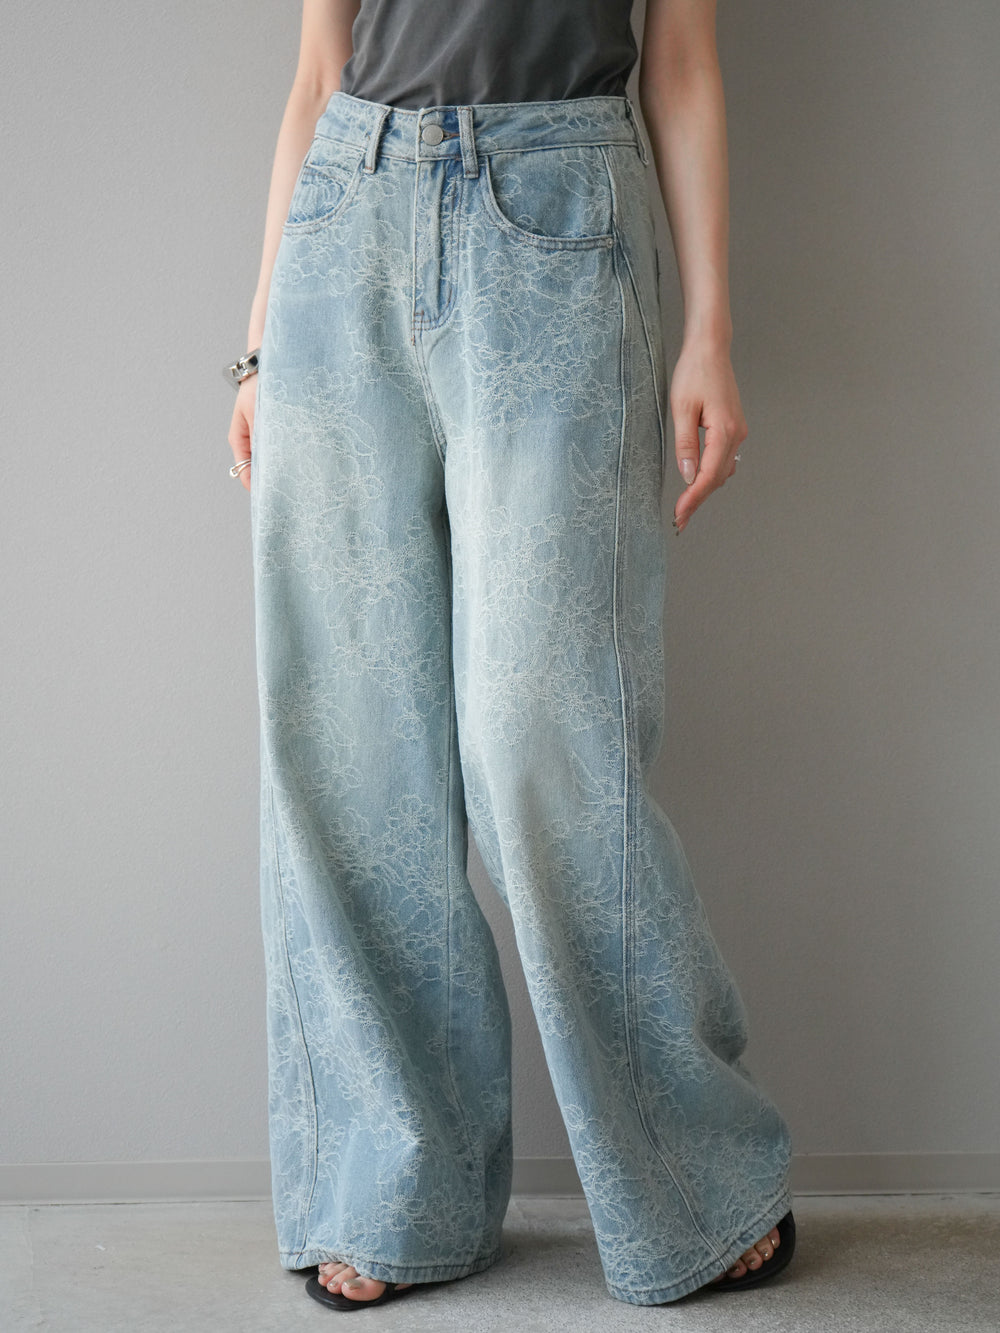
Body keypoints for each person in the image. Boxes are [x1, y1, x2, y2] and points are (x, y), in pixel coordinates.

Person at [224, 0, 796, 1310]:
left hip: (562, 208)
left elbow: (681, 60)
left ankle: (696, 1178)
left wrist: (710, 328)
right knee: (349, 748)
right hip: (344, 228)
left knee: (550, 739)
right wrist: (259, 340)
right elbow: (319, 72)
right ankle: (390, 1190)